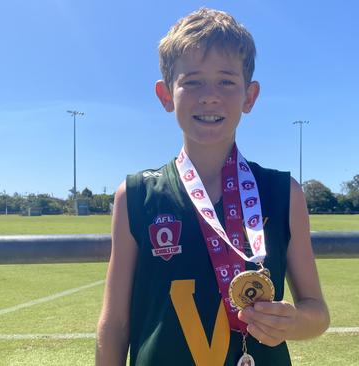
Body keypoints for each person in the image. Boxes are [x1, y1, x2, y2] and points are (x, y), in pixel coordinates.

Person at [96, 8, 329, 366]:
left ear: (249, 97)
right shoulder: (136, 196)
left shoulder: (284, 192)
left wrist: (293, 322)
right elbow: (115, 323)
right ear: (165, 94)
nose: (209, 96)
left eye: (226, 81)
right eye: (192, 81)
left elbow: (317, 313)